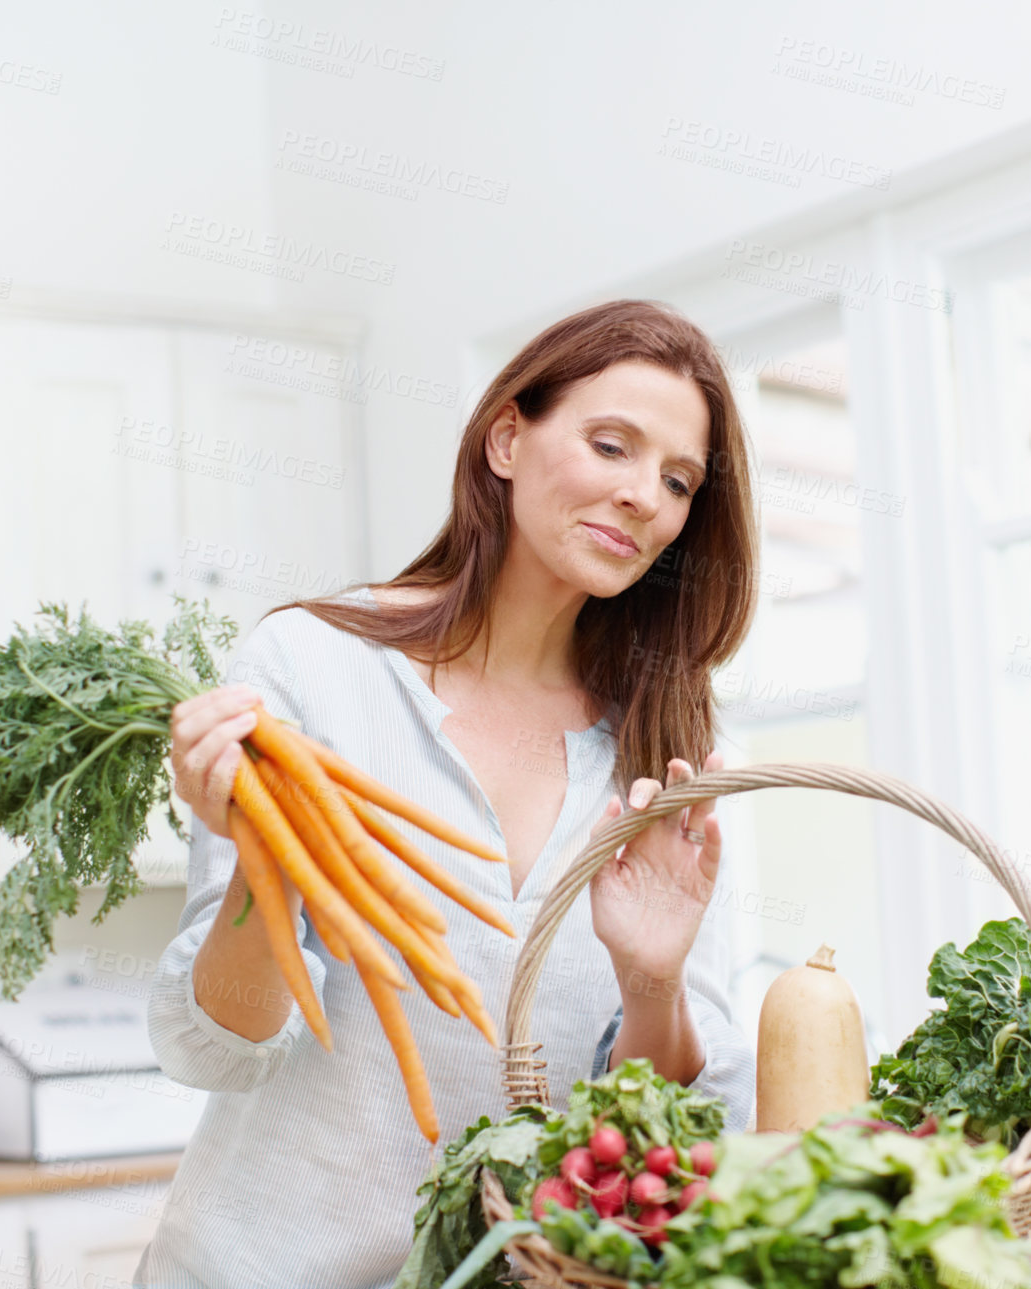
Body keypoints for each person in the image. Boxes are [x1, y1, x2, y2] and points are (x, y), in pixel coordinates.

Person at [133, 299, 762, 1288]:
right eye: (611, 444)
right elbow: (224, 1045)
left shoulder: (673, 747)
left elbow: (671, 1128)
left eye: (678, 479)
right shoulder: (313, 664)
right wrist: (268, 856)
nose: (645, 494)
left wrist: (650, 982)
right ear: (507, 436)